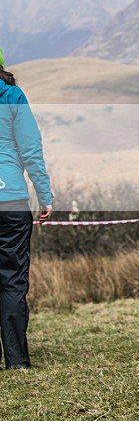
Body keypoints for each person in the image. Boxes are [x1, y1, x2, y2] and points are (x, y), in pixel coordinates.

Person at [0, 46, 53, 369]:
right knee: (12, 282)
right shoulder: (13, 96)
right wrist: (44, 195)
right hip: (12, 202)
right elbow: (31, 149)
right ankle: (17, 360)